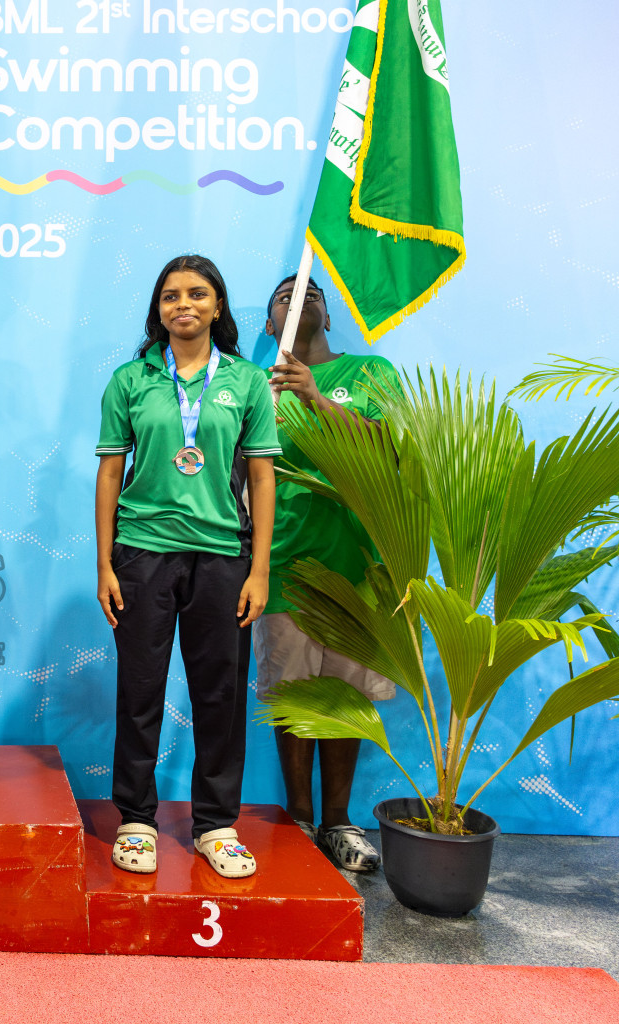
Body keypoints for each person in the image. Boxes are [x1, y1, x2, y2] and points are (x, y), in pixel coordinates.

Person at [94, 254, 281, 878]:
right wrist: (105, 564)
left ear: (218, 306)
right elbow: (110, 472)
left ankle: (216, 824)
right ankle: (137, 821)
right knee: (140, 691)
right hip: (142, 554)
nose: (184, 305)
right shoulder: (131, 379)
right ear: (158, 309)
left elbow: (261, 476)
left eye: (197, 294)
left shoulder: (247, 382)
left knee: (220, 698)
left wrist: (259, 572)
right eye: (170, 296)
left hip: (224, 557)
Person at [261, 273, 401, 872]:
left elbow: (390, 448)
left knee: (345, 698)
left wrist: (316, 397)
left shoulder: (372, 372)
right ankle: (296, 820)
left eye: (312, 291)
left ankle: (339, 822)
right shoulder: (255, 388)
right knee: (294, 697)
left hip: (356, 570)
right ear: (270, 326)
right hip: (284, 565)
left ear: (328, 313)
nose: (300, 295)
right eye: (285, 295)